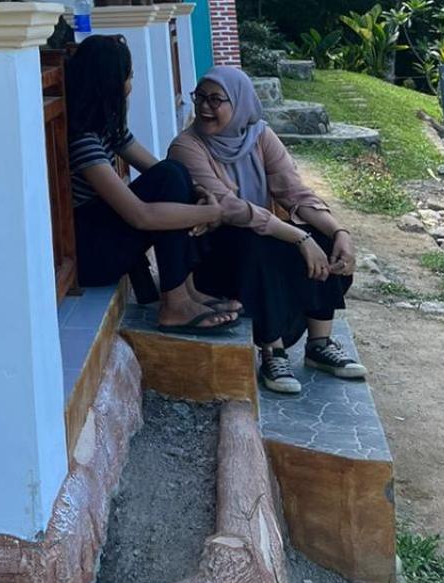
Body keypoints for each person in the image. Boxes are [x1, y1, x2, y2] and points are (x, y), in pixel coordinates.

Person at [169, 66, 366, 395]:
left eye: (215, 99)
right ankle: (272, 352)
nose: (204, 107)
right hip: (212, 255)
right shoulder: (187, 146)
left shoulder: (260, 135)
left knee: (322, 240)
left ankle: (319, 344)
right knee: (260, 244)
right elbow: (230, 208)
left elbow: (294, 192)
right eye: (199, 97)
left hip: (261, 237)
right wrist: (298, 237)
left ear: (240, 103)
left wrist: (339, 232)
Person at [64, 34, 241, 332]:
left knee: (174, 173)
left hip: (104, 233)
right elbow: (140, 216)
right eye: (129, 76)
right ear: (110, 83)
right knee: (170, 178)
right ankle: (175, 304)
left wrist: (198, 192)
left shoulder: (107, 129)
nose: (131, 84)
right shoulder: (83, 141)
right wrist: (213, 212)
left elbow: (157, 168)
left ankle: (187, 291)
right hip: (92, 255)